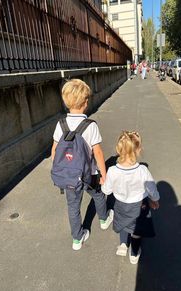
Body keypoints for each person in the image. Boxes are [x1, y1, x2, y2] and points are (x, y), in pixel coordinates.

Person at [51, 79, 113, 251]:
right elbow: (98, 153)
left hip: (69, 176)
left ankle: (77, 239)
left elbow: (54, 151)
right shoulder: (90, 126)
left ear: (66, 102)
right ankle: (103, 219)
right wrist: (104, 174)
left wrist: (61, 169)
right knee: (98, 196)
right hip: (89, 173)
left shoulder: (60, 124)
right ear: (86, 103)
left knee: (73, 206)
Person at [101, 131, 160, 264]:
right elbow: (151, 189)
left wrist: (103, 183)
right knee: (136, 230)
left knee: (123, 224)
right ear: (138, 150)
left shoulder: (112, 171)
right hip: (139, 206)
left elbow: (107, 190)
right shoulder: (142, 171)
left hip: (121, 204)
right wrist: (154, 199)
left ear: (118, 149)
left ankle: (123, 244)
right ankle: (134, 253)